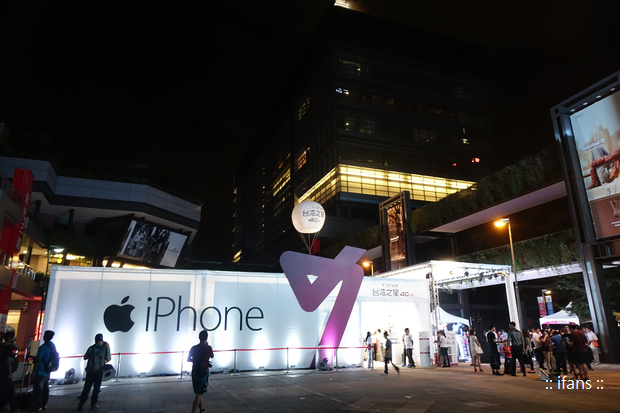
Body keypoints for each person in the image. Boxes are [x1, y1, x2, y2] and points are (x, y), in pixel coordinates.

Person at [78, 333, 111, 411]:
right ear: (102, 340)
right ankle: (93, 404)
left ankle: (81, 405)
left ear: (95, 340)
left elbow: (85, 357)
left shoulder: (91, 348)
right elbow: (107, 358)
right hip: (99, 371)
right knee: (96, 388)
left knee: (87, 388)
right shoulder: (104, 348)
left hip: (90, 371)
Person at [188, 330, 214, 413]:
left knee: (198, 392)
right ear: (206, 338)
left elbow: (188, 359)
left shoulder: (194, 348)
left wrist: (196, 360)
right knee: (199, 393)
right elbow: (212, 356)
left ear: (199, 337)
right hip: (204, 372)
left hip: (195, 371)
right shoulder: (208, 348)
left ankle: (202, 410)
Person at [32, 330, 56, 411]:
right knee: (45, 388)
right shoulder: (52, 346)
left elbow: (38, 360)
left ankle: (37, 405)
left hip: (40, 371)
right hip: (47, 370)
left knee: (38, 389)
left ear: (44, 337)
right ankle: (44, 404)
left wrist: (34, 371)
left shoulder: (42, 348)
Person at [0, 331, 19, 413]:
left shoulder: (3, 345)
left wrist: (12, 342)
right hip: (5, 371)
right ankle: (14, 408)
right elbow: (7, 360)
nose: (15, 338)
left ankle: (3, 405)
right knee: (11, 390)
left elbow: (17, 347)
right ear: (10, 338)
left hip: (2, 371)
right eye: (13, 337)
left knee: (5, 389)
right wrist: (10, 372)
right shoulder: (8, 348)